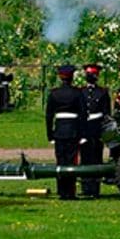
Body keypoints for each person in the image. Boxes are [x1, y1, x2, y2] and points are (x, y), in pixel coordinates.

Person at [45, 64, 85, 201]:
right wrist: (82, 134)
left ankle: (62, 191)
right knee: (71, 162)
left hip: (59, 130)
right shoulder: (77, 93)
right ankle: (70, 192)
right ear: (72, 77)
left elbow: (49, 116)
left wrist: (50, 134)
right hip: (73, 130)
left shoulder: (54, 93)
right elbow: (83, 114)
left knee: (60, 160)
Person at [77, 64, 111, 198]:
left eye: (92, 74)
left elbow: (106, 112)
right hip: (84, 128)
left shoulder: (102, 92)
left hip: (96, 128)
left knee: (96, 157)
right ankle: (85, 187)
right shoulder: (81, 92)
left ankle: (95, 189)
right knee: (85, 158)